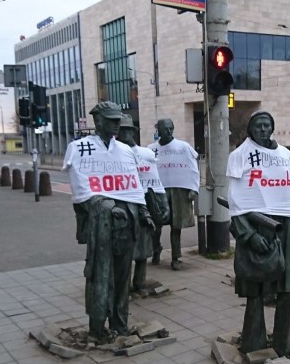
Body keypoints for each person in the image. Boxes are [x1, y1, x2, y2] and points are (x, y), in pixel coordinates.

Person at [62, 101, 153, 342]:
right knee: (100, 276)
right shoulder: (80, 148)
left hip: (127, 225)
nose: (116, 125)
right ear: (97, 120)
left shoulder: (125, 151)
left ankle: (120, 323)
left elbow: (134, 185)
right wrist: (108, 207)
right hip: (102, 226)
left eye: (118, 120)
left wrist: (144, 213)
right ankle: (97, 326)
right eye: (111, 120)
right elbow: (82, 189)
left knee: (123, 277)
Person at [227, 111, 290, 356]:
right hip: (258, 227)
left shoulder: (285, 155)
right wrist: (249, 235)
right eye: (258, 125)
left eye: (267, 125)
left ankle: (285, 345)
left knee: (288, 290)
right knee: (256, 290)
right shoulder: (239, 156)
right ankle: (254, 342)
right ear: (251, 129)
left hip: (288, 229)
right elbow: (235, 202)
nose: (263, 129)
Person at [116, 114, 170, 295]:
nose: (123, 133)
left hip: (145, 202)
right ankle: (122, 287)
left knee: (144, 246)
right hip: (121, 205)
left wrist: (163, 203)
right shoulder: (111, 155)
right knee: (122, 250)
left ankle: (139, 283)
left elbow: (154, 180)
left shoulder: (146, 153)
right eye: (120, 129)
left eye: (127, 129)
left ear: (132, 131)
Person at [148, 118, 199, 270]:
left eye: (171, 128)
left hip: (179, 190)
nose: (169, 131)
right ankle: (156, 248)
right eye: (165, 129)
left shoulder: (183, 147)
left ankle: (175, 257)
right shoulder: (151, 149)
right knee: (155, 226)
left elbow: (193, 168)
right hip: (158, 191)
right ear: (159, 130)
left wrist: (194, 189)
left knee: (176, 227)